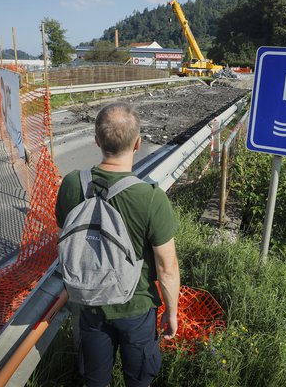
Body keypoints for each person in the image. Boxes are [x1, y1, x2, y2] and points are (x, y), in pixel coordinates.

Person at [55, 102, 180, 387]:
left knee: (95, 380)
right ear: (137, 143)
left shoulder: (72, 184)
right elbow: (167, 267)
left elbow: (65, 238)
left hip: (89, 304)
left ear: (97, 140)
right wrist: (171, 313)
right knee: (138, 380)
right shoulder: (151, 198)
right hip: (136, 307)